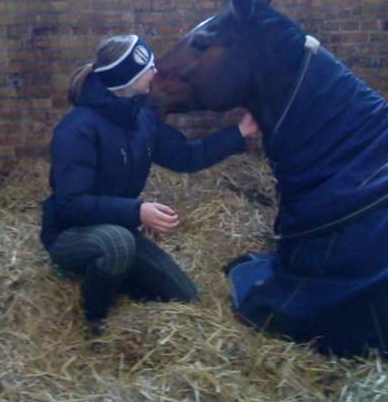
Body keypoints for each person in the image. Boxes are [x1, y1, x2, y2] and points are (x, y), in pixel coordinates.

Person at [40, 34, 258, 334]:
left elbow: (186, 157)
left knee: (185, 298)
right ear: (126, 78)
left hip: (119, 227)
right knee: (118, 244)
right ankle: (93, 318)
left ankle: (116, 275)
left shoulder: (142, 120)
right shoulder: (76, 129)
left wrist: (239, 132)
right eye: (149, 67)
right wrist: (137, 211)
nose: (156, 72)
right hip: (70, 232)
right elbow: (71, 204)